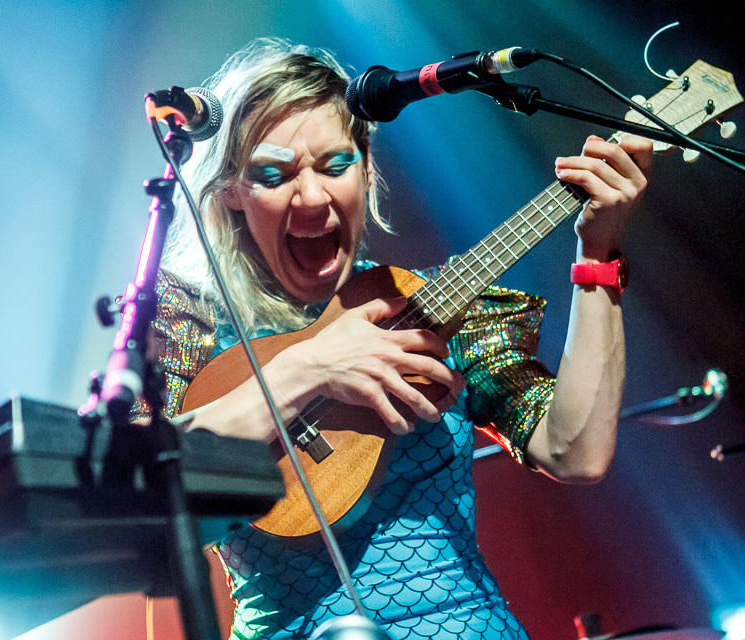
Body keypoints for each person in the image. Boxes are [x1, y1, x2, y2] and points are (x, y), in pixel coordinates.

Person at [139, 38, 652, 640]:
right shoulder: (190, 324)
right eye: (273, 175)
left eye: (336, 165)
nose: (312, 197)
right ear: (230, 193)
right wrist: (307, 367)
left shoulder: (437, 305)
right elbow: (148, 494)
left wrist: (597, 256)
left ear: (366, 167)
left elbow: (576, 452)